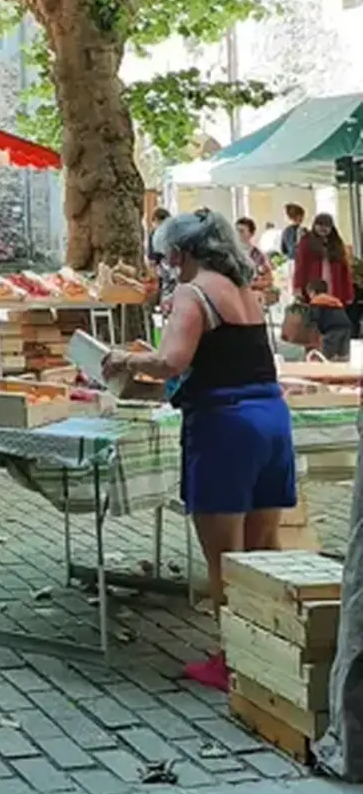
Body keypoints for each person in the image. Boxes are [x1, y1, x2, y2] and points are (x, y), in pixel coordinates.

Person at [103, 210, 295, 693]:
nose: (163, 265)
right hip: (271, 419)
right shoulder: (244, 291)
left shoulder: (193, 291)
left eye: (164, 256)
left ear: (181, 253)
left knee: (224, 554)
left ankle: (232, 657)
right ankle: (270, 652)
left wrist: (125, 358)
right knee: (265, 549)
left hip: (225, 425)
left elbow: (172, 361)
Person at [294, 212, 354, 308]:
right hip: (313, 283)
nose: (323, 228)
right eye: (320, 225)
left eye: (327, 226)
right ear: (314, 225)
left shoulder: (336, 243)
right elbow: (300, 266)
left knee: (333, 308)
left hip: (334, 283)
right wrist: (298, 287)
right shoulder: (306, 242)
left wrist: (348, 293)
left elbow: (344, 270)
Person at [283, 278, 353, 360]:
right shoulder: (334, 300)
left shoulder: (317, 301)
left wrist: (304, 325)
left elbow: (314, 318)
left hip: (332, 329)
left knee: (326, 354)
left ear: (312, 292)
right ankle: (342, 367)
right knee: (342, 353)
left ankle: (323, 368)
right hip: (346, 327)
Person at [236, 217, 275, 296]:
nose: (237, 234)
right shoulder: (230, 253)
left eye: (241, 231)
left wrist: (252, 284)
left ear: (251, 234)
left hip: (254, 295)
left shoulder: (258, 255)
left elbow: (268, 280)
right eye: (236, 231)